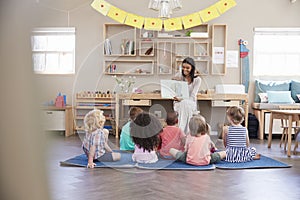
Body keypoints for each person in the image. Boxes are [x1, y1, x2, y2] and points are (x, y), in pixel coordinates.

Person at [172, 57, 201, 133]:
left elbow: (193, 96)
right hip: (179, 103)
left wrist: (182, 99)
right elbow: (172, 87)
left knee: (185, 104)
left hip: (191, 103)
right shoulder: (179, 76)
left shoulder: (197, 80)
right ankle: (186, 133)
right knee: (184, 104)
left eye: (187, 68)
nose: (185, 69)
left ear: (192, 68)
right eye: (183, 67)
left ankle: (181, 132)